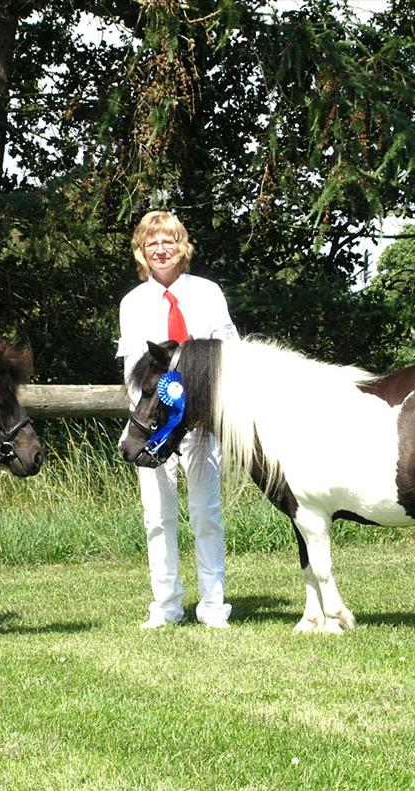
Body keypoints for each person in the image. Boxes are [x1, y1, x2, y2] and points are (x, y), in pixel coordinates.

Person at [117, 211, 240, 629]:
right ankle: (166, 604)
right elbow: (134, 367)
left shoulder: (208, 294)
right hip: (154, 425)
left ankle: (212, 604)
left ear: (182, 246)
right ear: (142, 250)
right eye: (153, 243)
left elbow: (227, 354)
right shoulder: (132, 304)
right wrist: (153, 418)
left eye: (169, 241)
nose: (161, 249)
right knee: (157, 516)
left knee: (206, 512)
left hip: (202, 424)